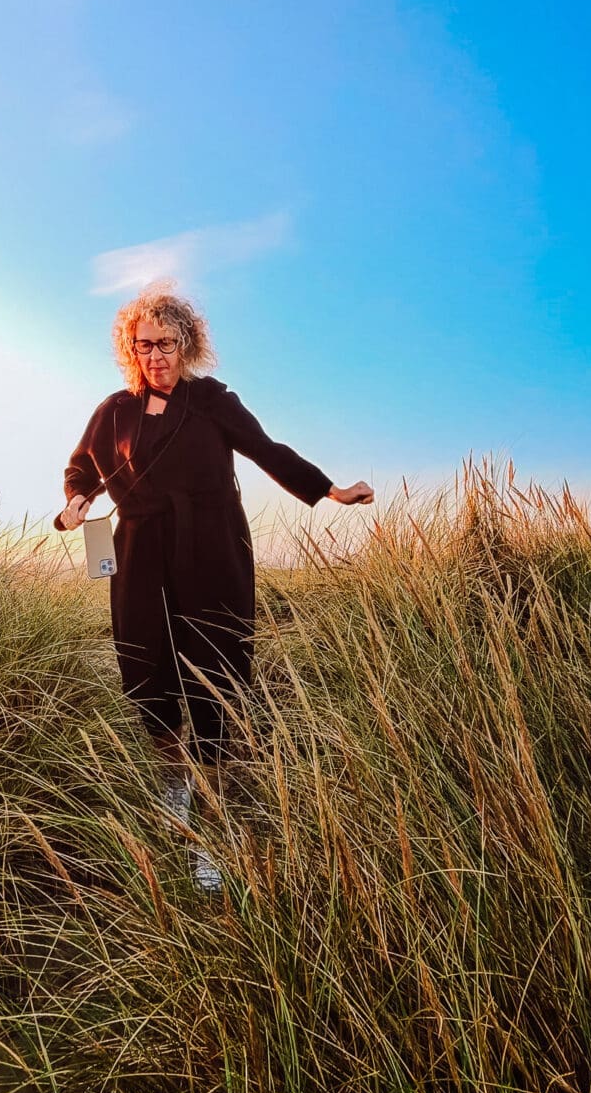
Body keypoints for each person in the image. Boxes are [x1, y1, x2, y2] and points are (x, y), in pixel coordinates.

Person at [54, 284, 373, 889]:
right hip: (139, 553)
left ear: (187, 343)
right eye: (144, 345)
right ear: (131, 349)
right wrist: (76, 501)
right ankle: (175, 785)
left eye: (166, 343)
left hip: (212, 548)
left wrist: (328, 489)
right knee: (145, 670)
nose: (156, 356)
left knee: (214, 673)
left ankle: (213, 823)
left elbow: (266, 451)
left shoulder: (212, 401)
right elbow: (82, 466)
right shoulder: (114, 410)